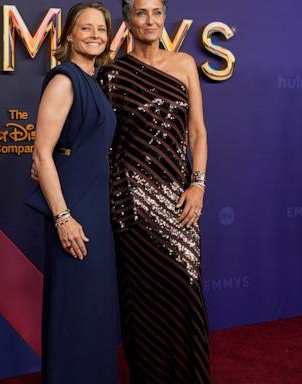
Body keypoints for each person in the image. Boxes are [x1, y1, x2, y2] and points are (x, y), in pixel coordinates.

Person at [97, 0, 211, 382]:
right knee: (142, 296)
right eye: (141, 13)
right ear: (128, 20)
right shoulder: (112, 73)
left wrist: (197, 184)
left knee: (185, 287)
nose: (150, 20)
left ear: (164, 18)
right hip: (131, 200)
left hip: (179, 200)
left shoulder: (184, 65)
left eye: (157, 12)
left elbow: (198, 131)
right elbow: (104, 143)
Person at [27, 3, 119, 383]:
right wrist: (62, 217)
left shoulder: (95, 79)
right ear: (69, 35)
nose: (96, 34)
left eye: (102, 28)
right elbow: (41, 153)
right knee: (74, 308)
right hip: (73, 208)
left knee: (94, 308)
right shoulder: (64, 79)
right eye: (87, 28)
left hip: (96, 204)